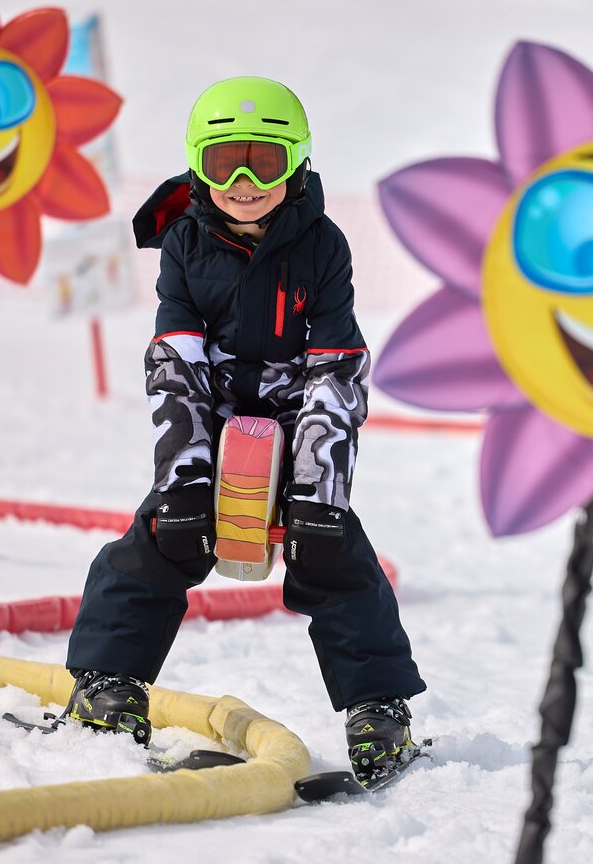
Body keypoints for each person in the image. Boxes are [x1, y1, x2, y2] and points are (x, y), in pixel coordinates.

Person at [63, 76, 426, 778]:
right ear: (198, 164)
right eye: (225, 161)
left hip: (295, 417)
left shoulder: (323, 245)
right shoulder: (186, 243)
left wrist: (318, 491)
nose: (243, 183)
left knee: (333, 552)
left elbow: (336, 366)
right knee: (159, 540)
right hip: (216, 412)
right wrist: (185, 480)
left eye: (265, 163)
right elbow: (177, 362)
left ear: (298, 164)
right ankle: (109, 681)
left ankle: (378, 707)